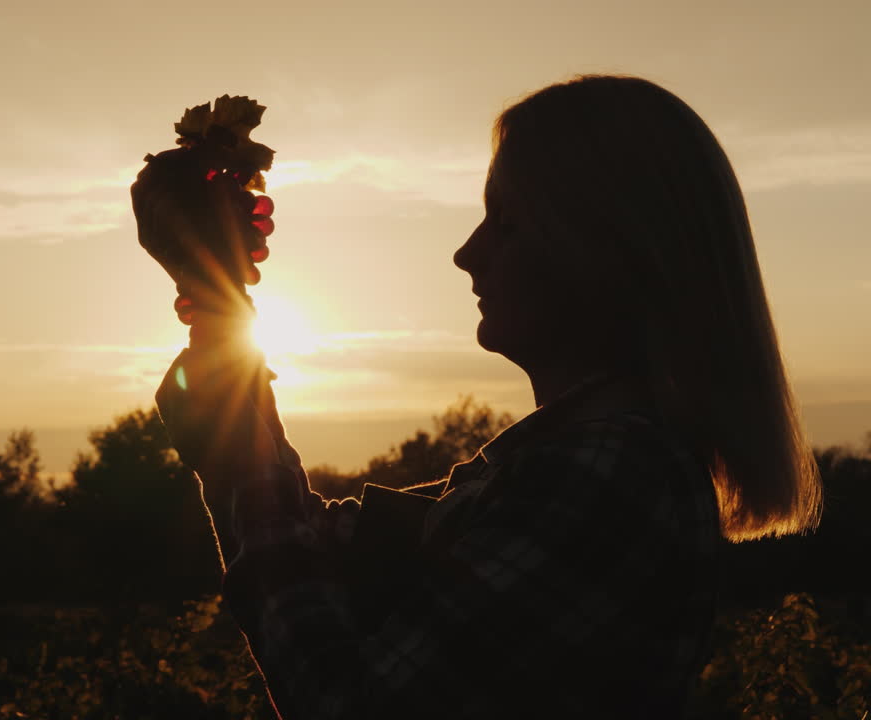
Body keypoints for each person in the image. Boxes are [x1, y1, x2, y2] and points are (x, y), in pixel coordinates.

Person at [130, 74, 822, 719]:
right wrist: (216, 298)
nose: (467, 254)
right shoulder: (553, 471)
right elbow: (318, 545)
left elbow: (343, 700)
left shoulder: (611, 477)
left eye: (507, 223)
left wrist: (227, 408)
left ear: (607, 251)